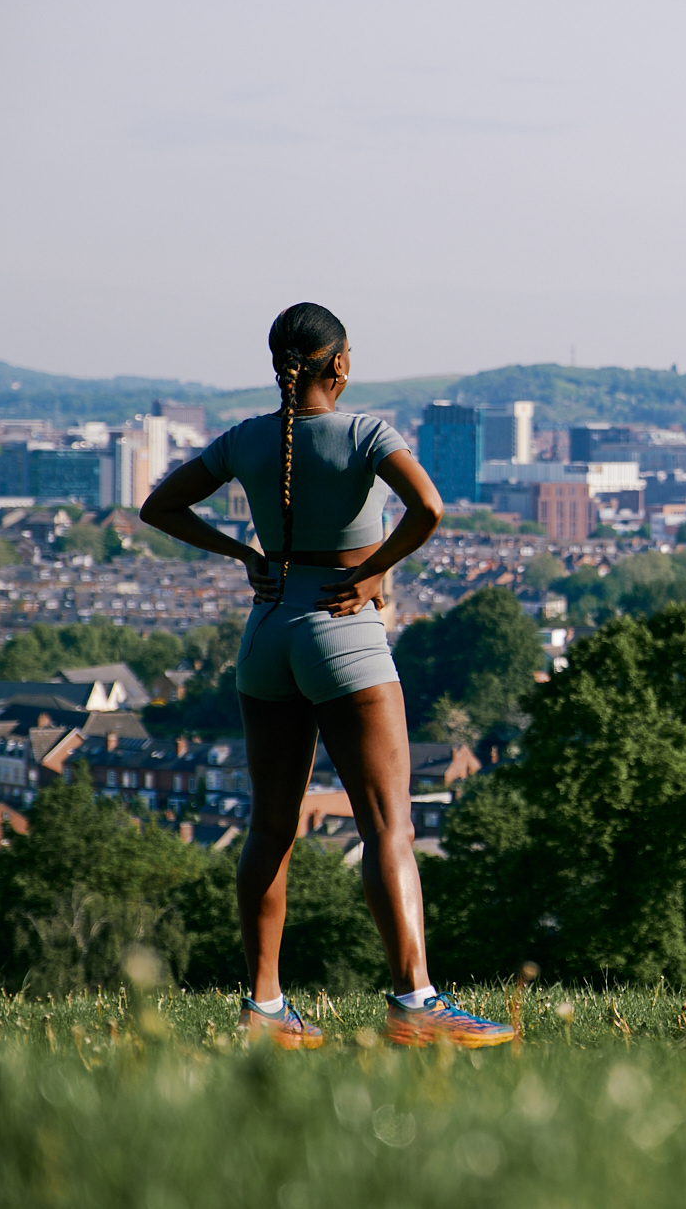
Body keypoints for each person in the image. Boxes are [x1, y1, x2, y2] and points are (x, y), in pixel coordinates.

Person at [142, 303, 515, 1049]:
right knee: (388, 826)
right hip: (344, 635)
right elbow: (428, 508)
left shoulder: (247, 439)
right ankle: (417, 1004)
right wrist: (373, 571)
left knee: (270, 827)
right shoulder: (368, 433)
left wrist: (244, 555)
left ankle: (266, 1009)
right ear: (339, 365)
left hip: (267, 634)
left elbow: (160, 505)